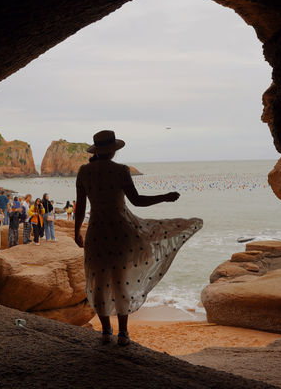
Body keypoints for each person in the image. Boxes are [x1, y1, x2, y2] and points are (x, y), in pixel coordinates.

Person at [74, 130, 202, 346]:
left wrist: (76, 230)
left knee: (98, 281)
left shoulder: (84, 171)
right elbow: (137, 201)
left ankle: (106, 331)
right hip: (120, 231)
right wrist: (165, 197)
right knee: (120, 280)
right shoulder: (121, 170)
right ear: (113, 151)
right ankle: (123, 333)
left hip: (96, 231)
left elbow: (81, 206)